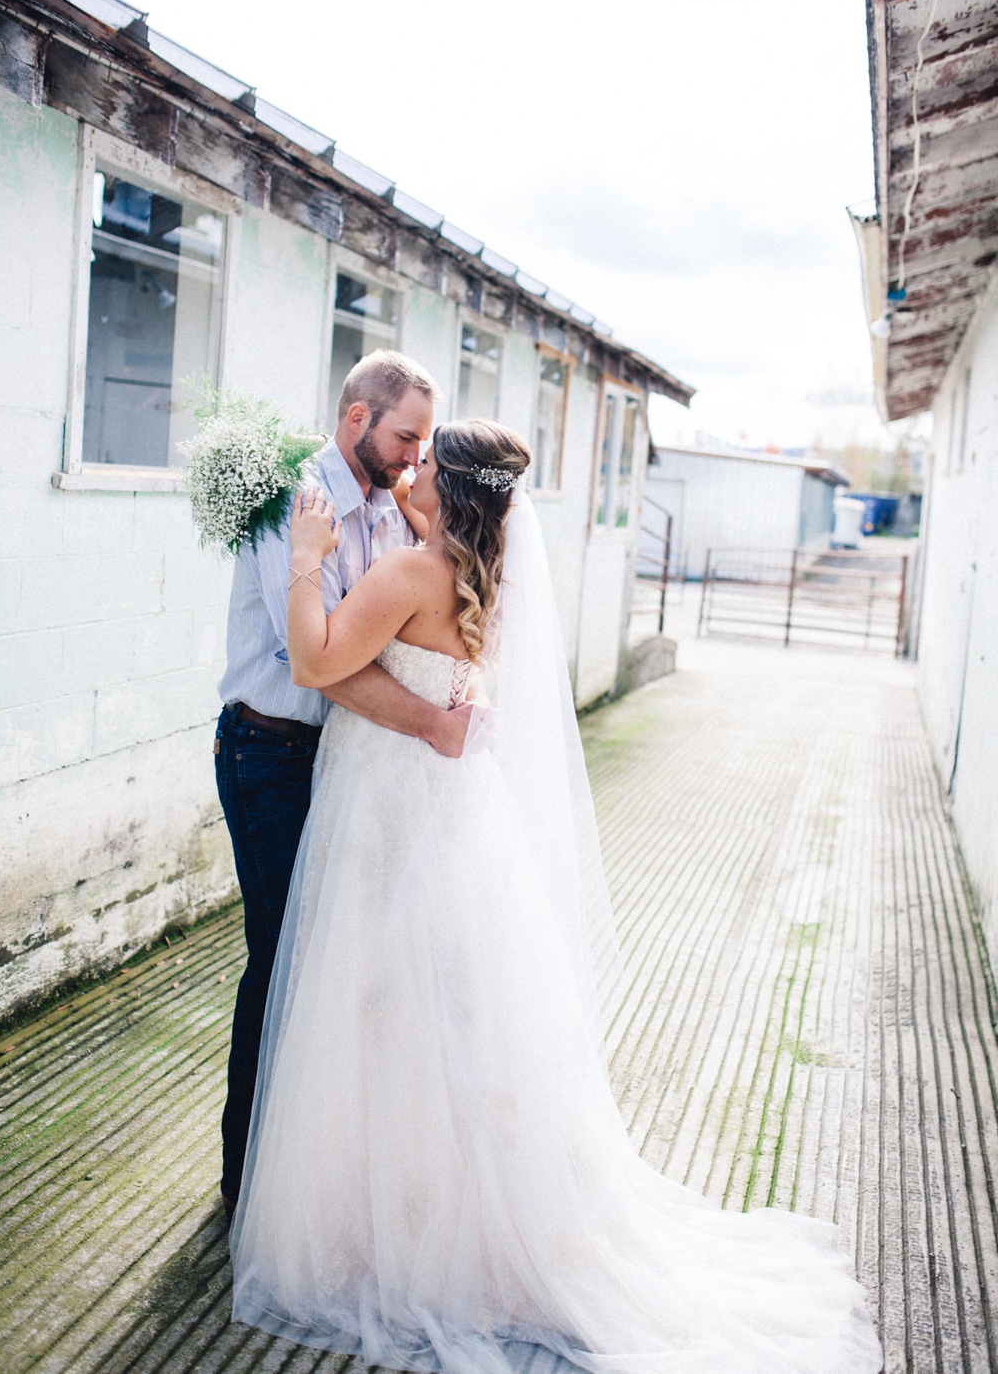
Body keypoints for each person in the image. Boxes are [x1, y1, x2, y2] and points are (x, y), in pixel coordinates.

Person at [229, 419, 884, 1374]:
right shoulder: (483, 576)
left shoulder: (411, 573)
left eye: (422, 466)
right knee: (440, 1022)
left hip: (389, 816)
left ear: (447, 487)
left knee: (380, 1015)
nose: (406, 473)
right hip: (447, 816)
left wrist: (304, 560)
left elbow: (320, 662)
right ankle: (445, 1215)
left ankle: (393, 1230)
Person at [214, 352, 471, 1218]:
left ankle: (313, 1173)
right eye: (405, 437)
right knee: (280, 959)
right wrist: (431, 725)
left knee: (340, 964)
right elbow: (313, 661)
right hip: (272, 753)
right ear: (357, 419)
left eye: (424, 444)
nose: (412, 456)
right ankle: (246, 1181)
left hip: (349, 766)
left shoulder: (394, 514)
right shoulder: (289, 504)